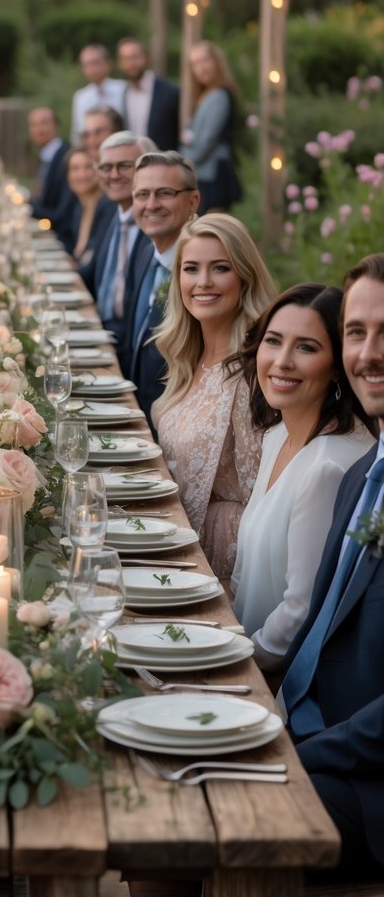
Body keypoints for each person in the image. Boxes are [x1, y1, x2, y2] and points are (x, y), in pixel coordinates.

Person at [279, 253, 384, 880]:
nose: (369, 353)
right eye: (356, 332)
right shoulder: (357, 477)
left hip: (368, 782)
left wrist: (304, 752)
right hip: (310, 723)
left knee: (225, 813)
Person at [231, 283, 373, 668]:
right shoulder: (278, 435)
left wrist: (235, 659)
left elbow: (300, 613)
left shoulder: (329, 468)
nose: (282, 361)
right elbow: (245, 575)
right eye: (273, 341)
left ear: (338, 367)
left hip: (272, 680)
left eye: (306, 347)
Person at [152, 215, 276, 583]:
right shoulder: (189, 358)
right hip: (177, 534)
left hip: (222, 558)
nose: (203, 282)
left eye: (220, 268)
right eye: (191, 269)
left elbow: (264, 497)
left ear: (244, 276)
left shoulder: (252, 371)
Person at [118, 151, 199, 428]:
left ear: (193, 201)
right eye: (142, 195)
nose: (151, 204)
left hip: (176, 427)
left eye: (164, 193)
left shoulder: (201, 273)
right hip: (135, 416)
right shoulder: (144, 254)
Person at [83, 131, 154, 349]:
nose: (113, 175)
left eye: (124, 165)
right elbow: (92, 270)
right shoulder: (109, 210)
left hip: (134, 344)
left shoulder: (157, 221)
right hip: (102, 331)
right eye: (105, 167)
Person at [180, 41, 241, 214]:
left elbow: (206, 141)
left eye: (205, 60)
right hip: (203, 173)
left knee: (213, 230)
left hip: (214, 174)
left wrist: (182, 164)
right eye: (195, 64)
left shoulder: (219, 96)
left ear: (217, 62)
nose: (201, 68)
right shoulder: (204, 96)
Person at [116, 37, 180, 153]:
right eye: (125, 59)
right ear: (120, 63)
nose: (131, 63)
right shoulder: (124, 92)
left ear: (146, 57)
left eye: (135, 57)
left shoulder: (171, 92)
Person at [58, 147, 115, 268]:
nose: (82, 175)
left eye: (88, 167)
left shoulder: (107, 206)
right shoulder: (79, 208)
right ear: (67, 176)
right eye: (75, 169)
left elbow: (96, 264)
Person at [28, 106, 73, 234]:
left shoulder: (66, 157)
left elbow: (63, 212)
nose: (39, 129)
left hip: (62, 234)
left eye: (44, 123)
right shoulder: (46, 156)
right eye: (34, 125)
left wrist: (28, 208)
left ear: (56, 126)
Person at [70, 44, 125, 143]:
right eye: (86, 64)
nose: (92, 69)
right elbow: (77, 132)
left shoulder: (123, 89)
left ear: (108, 63)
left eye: (95, 63)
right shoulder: (80, 97)